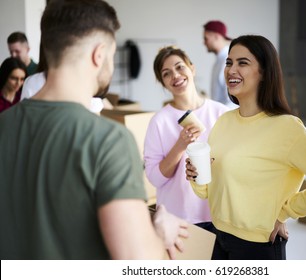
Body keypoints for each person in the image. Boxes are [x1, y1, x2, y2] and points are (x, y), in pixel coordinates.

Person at [0, 0, 188, 260]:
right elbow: (138, 264)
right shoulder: (109, 141)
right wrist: (159, 233)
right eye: (110, 56)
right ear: (99, 54)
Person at [185, 35, 306, 260]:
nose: (232, 69)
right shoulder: (224, 122)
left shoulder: (287, 128)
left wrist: (284, 212)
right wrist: (196, 176)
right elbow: (207, 192)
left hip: (258, 246)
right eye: (229, 62)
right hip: (218, 237)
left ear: (264, 72)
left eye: (243, 63)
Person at [144, 46, 229, 232]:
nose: (175, 75)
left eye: (179, 67)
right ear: (163, 82)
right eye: (167, 73)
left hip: (221, 215)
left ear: (192, 68)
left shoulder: (221, 113)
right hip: (179, 220)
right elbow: (155, 179)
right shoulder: (159, 122)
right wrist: (180, 145)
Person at [203, 20, 236, 109]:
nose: (204, 43)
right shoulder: (219, 61)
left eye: (206, 38)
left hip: (225, 117)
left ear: (216, 36)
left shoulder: (228, 61)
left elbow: (232, 101)